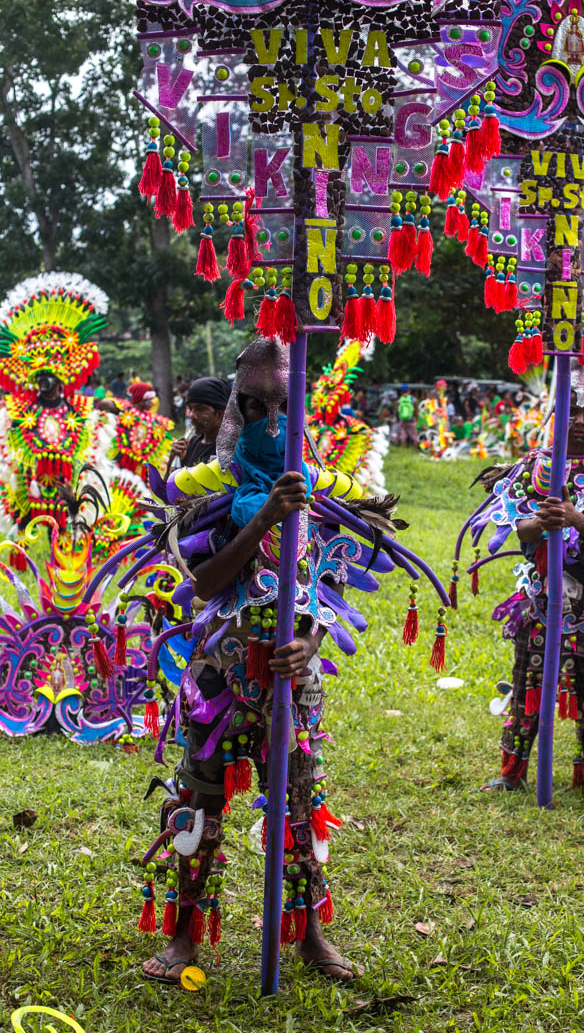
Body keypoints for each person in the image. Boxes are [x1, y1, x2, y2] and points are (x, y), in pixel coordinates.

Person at [136, 337, 447, 986]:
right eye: (252, 407)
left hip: (291, 686)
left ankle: (309, 935)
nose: (268, 423)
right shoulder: (210, 499)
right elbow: (203, 582)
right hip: (218, 681)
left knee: (300, 808)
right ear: (234, 411)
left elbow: (321, 590)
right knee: (199, 802)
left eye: (282, 407)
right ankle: (185, 937)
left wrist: (308, 639)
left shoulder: (320, 503)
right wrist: (263, 518)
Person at [467, 363, 584, 803]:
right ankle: (514, 771)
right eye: (571, 411)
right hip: (540, 600)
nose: (579, 421)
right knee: (527, 688)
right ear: (555, 413)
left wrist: (574, 518)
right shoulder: (532, 468)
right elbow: (508, 525)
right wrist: (538, 522)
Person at [165, 376, 231, 475]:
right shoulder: (190, 446)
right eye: (190, 408)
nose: (192, 415)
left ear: (221, 413)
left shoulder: (232, 449)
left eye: (200, 409)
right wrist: (173, 461)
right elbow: (169, 488)